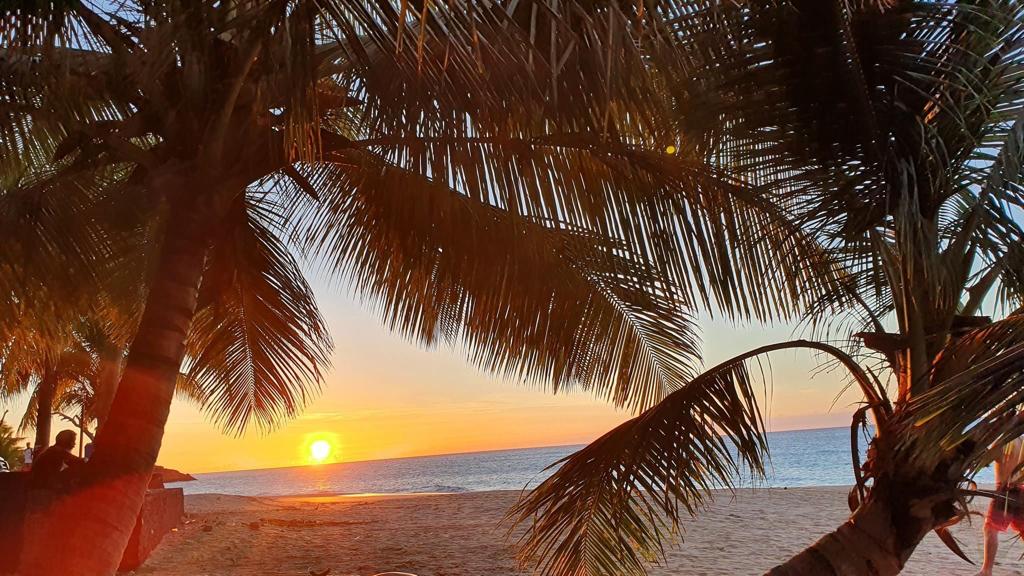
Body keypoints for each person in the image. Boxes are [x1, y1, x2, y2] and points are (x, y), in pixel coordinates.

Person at [978, 436, 1024, 576]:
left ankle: (986, 570)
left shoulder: (1004, 440)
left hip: (1005, 490)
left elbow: (986, 460)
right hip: (1022, 489)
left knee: (990, 528)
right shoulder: (1021, 440)